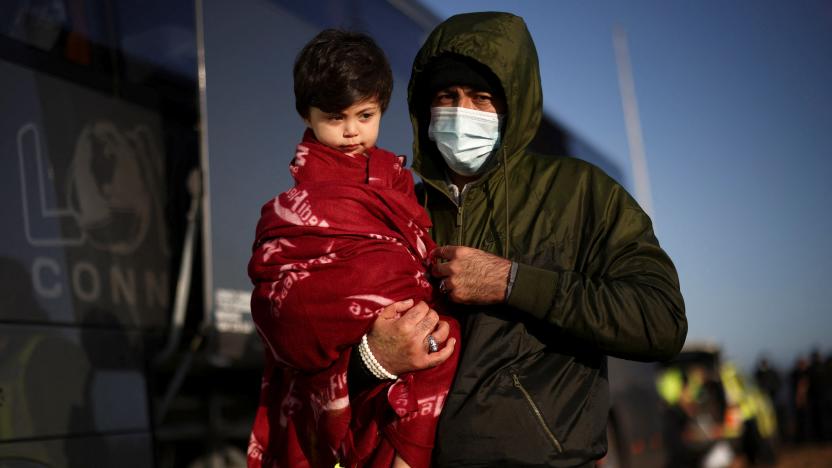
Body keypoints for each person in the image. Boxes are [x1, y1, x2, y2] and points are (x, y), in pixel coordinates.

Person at [356, 12, 688, 466]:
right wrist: (373, 358)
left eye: (482, 98)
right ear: (424, 109)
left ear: (514, 105)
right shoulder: (399, 209)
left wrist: (512, 282)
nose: (462, 112)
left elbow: (661, 320)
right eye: (447, 97)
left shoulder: (580, 192)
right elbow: (329, 344)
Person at [247, 30, 459, 468]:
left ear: (381, 108)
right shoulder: (290, 214)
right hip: (347, 384)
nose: (350, 132)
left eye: (365, 115)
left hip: (415, 353)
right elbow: (288, 315)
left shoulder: (401, 186)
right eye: (334, 117)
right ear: (306, 114)